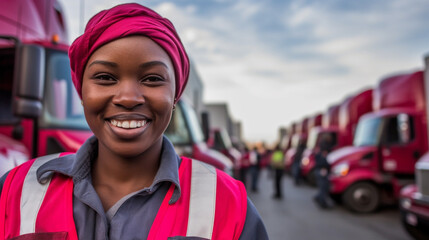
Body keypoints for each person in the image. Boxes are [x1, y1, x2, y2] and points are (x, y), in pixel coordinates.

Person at [0, 3, 268, 240]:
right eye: (105, 77)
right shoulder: (15, 190)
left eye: (152, 78)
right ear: (81, 92)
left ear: (175, 95)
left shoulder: (228, 204)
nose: (128, 98)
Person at [313, 134, 334, 209]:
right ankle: (322, 203)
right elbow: (323, 161)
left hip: (319, 170)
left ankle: (319, 198)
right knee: (323, 187)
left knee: (324, 187)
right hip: (322, 170)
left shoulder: (320, 146)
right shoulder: (324, 148)